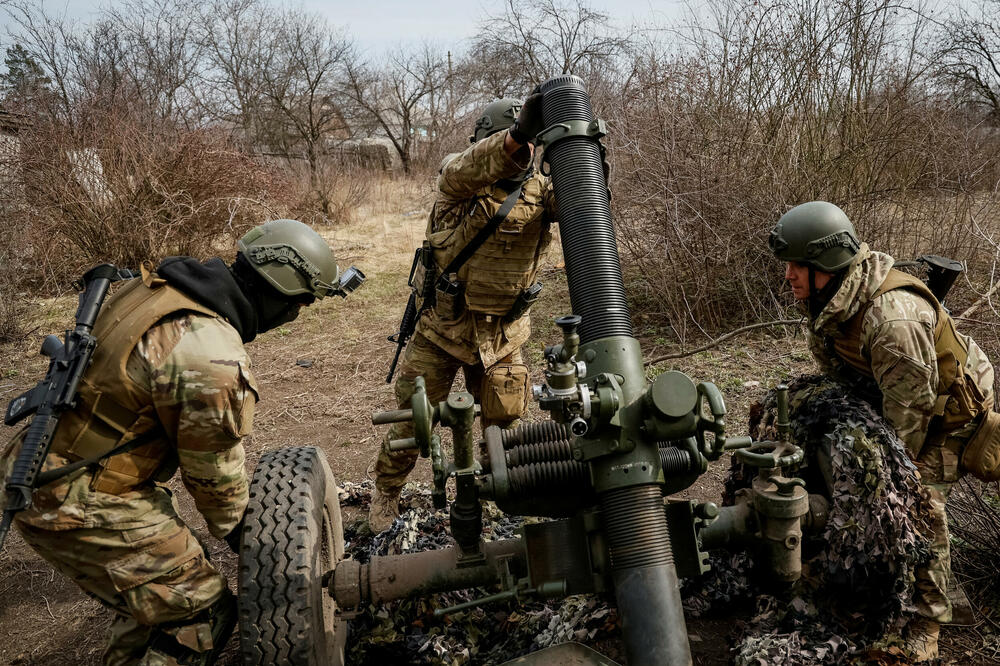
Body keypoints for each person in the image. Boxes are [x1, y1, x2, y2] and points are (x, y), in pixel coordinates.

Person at [1, 219, 354, 665]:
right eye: (300, 303)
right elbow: (217, 490)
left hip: (53, 460)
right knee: (201, 612)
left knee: (170, 582)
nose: (296, 315)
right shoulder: (210, 356)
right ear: (279, 293)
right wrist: (276, 552)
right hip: (75, 496)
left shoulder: (160, 288)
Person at [768, 200, 996, 661]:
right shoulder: (829, 299)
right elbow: (841, 376)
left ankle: (927, 619)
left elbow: (909, 420)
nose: (788, 275)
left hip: (948, 415)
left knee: (913, 501)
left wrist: (882, 483)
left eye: (797, 266)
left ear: (825, 265)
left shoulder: (892, 320)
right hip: (896, 393)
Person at [370, 93, 556, 532]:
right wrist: (517, 135)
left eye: (531, 146)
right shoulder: (458, 181)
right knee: (412, 426)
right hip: (441, 331)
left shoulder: (542, 191)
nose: (524, 153)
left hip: (503, 337)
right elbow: (467, 167)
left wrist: (583, 153)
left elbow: (586, 205)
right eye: (513, 144)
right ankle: (386, 494)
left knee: (506, 432)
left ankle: (498, 496)